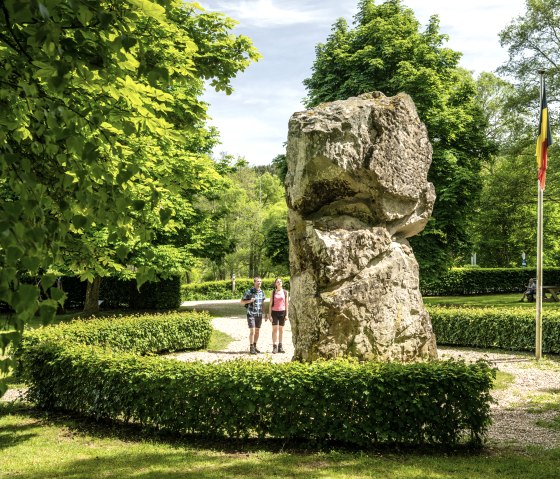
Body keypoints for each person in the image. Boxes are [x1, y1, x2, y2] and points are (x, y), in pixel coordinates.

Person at [240, 276, 266, 354]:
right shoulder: (249, 291)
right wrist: (250, 301)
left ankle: (254, 346)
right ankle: (251, 347)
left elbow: (263, 303)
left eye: (260, 281)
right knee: (253, 331)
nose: (259, 283)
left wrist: (266, 313)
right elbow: (241, 302)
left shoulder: (262, 292)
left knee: (257, 331)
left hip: (259, 314)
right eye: (257, 281)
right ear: (254, 282)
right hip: (251, 313)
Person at [267, 277, 289, 353]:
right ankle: (274, 346)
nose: (279, 283)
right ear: (275, 284)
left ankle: (280, 346)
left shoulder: (285, 292)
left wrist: (287, 314)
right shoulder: (273, 292)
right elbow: (270, 304)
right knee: (274, 329)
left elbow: (286, 304)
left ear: (282, 283)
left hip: (282, 312)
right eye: (277, 282)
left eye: (280, 281)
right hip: (274, 312)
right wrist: (269, 315)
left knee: (281, 330)